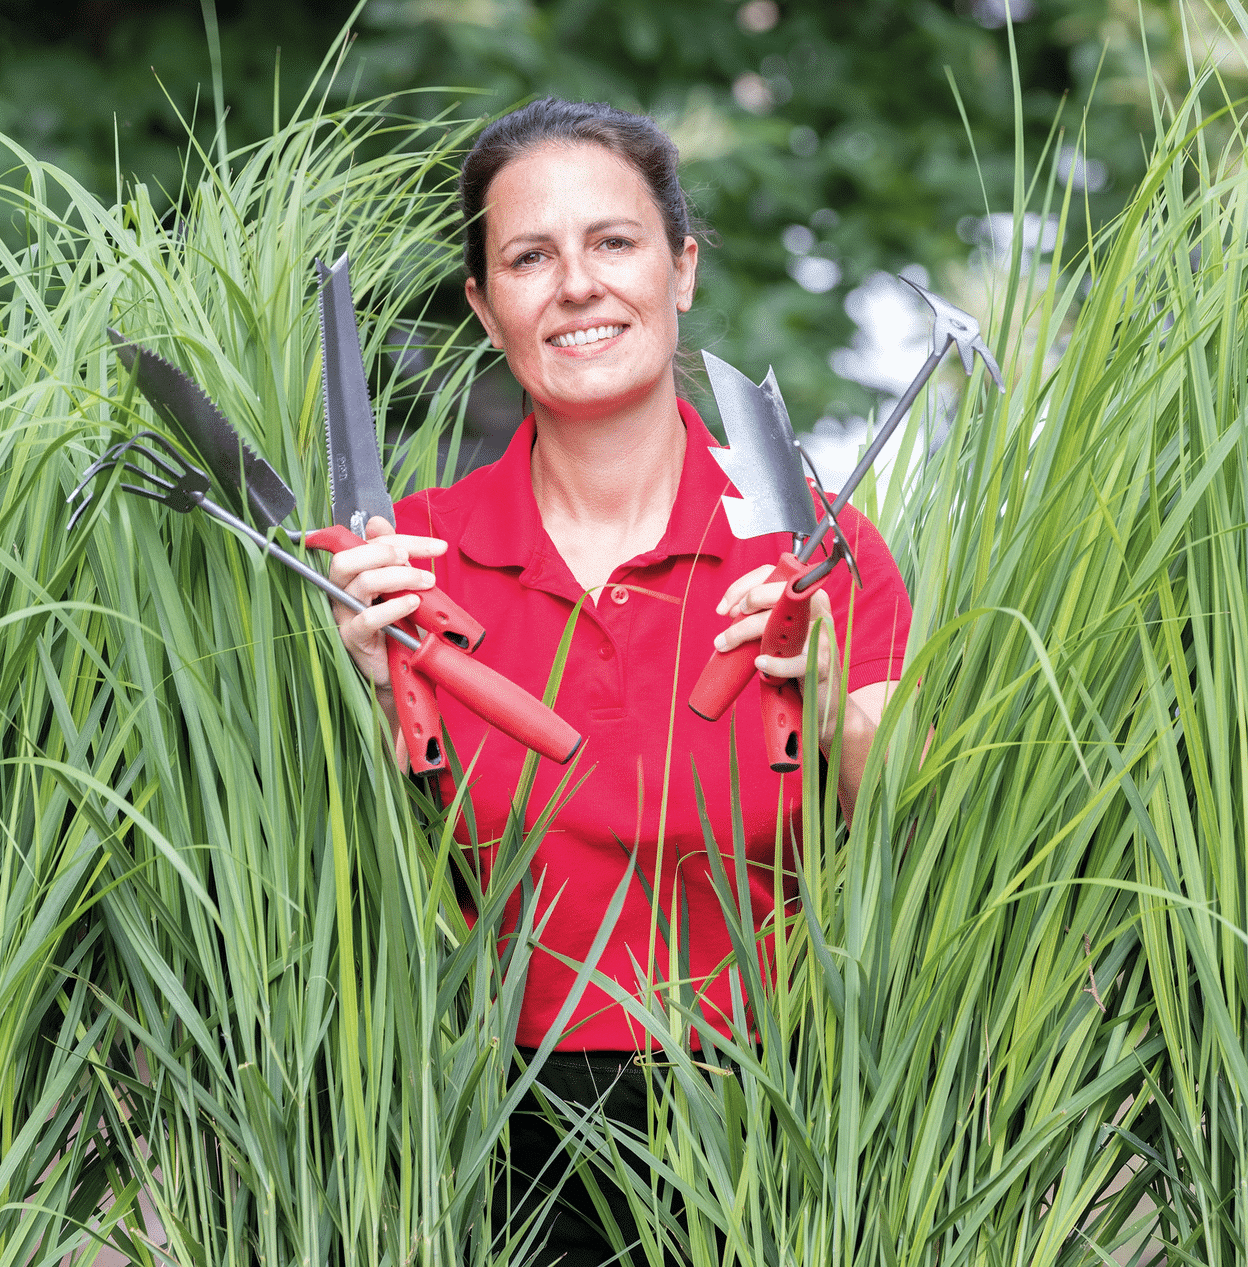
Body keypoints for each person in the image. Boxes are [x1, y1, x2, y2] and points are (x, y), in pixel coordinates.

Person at [326, 97, 911, 1265]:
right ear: (487, 312)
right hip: (480, 1140)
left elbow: (916, 827)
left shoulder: (814, 549)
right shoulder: (403, 565)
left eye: (614, 242)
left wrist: (829, 678)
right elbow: (337, 889)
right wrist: (351, 699)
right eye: (530, 258)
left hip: (777, 1135)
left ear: (682, 269)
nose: (577, 285)